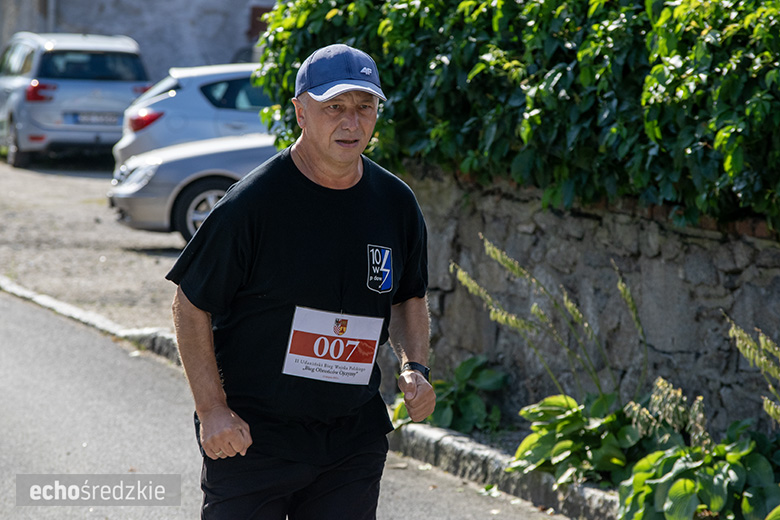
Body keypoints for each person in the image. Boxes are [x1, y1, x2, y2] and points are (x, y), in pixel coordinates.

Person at [167, 43, 436, 519]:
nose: (351, 123)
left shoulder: (395, 202)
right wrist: (211, 411)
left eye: (364, 107)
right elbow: (191, 305)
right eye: (334, 107)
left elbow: (408, 296)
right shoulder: (252, 205)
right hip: (254, 440)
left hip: (351, 441)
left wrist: (416, 366)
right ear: (300, 112)